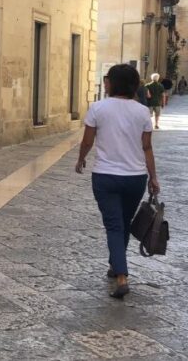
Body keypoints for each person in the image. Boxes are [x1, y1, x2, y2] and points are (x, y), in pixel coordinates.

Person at [76, 64, 159, 299]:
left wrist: (81, 159)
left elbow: (87, 142)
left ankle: (122, 276)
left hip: (105, 176)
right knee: (122, 222)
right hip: (134, 178)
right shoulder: (143, 112)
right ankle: (115, 265)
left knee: (114, 225)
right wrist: (153, 177)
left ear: (112, 83)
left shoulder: (98, 108)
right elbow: (147, 147)